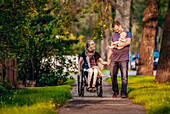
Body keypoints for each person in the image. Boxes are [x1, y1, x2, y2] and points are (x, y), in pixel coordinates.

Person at [107, 21, 132, 98]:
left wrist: (117, 45)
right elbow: (111, 47)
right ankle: (115, 91)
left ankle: (123, 92)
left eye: (117, 29)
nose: (117, 31)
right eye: (115, 30)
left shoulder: (127, 33)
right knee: (112, 75)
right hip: (114, 58)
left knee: (124, 77)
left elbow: (127, 42)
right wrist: (108, 58)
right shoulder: (113, 35)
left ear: (120, 25)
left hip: (124, 58)